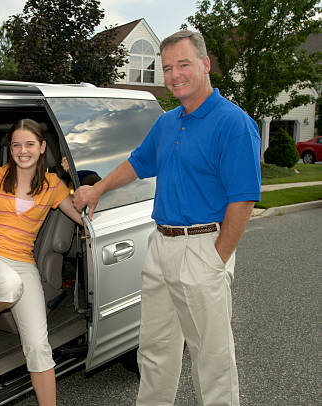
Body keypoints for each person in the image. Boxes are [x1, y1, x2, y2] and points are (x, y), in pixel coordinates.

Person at [74, 30, 260, 406]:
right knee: (156, 351)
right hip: (160, 246)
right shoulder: (167, 122)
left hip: (203, 246)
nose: (175, 75)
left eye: (184, 65)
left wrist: (215, 258)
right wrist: (98, 189)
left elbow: (243, 200)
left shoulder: (233, 123)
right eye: (168, 67)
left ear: (205, 65)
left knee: (212, 358)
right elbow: (138, 164)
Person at [0, 118, 83, 406]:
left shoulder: (54, 186)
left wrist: (78, 175)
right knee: (8, 286)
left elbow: (83, 216)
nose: (23, 150)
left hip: (23, 261)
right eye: (16, 144)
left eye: (29, 144)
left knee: (39, 347)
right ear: (10, 148)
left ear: (42, 147)